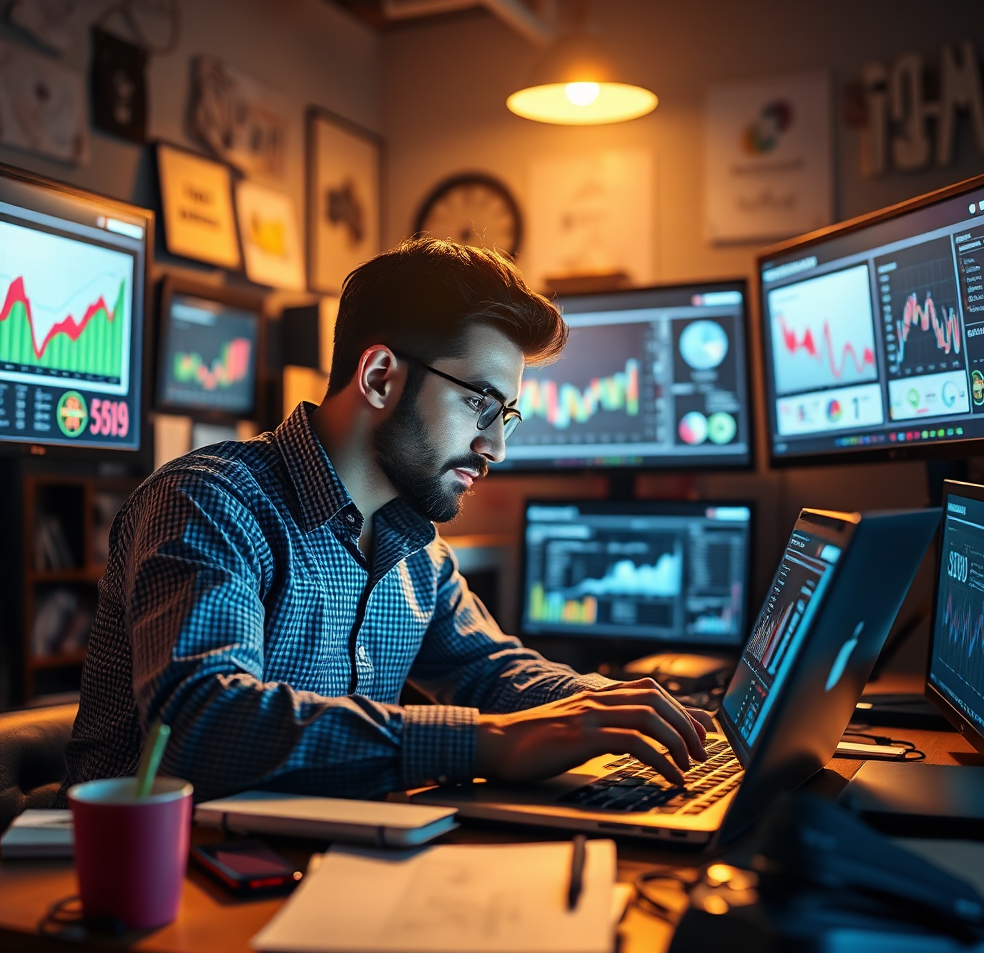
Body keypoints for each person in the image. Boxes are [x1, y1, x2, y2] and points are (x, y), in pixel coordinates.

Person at [61, 238, 712, 804]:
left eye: (506, 416)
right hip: (151, 896)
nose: (496, 448)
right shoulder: (209, 502)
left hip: (319, 871)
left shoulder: (415, 551)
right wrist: (486, 743)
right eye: (480, 403)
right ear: (378, 377)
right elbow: (201, 725)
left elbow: (491, 672)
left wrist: (617, 706)